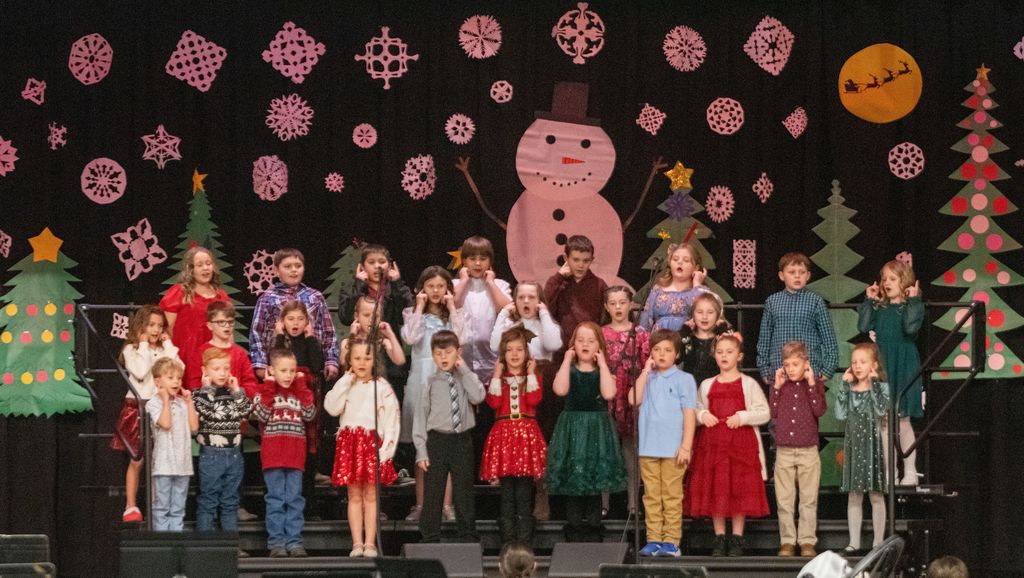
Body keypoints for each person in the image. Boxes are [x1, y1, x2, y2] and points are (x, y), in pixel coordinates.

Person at [686, 334, 770, 557]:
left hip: (740, 446)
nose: (724, 356)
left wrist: (742, 417)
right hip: (713, 446)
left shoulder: (748, 383)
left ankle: (738, 538)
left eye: (729, 352)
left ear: (739, 356)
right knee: (717, 489)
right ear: (714, 355)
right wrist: (703, 415)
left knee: (738, 490)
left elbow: (764, 412)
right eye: (720, 352)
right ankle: (719, 536)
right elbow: (694, 409)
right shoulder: (707, 384)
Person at [545, 322, 626, 543]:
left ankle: (593, 524)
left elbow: (609, 394)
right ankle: (573, 525)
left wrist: (602, 363)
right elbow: (560, 389)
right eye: (580, 340)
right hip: (572, 427)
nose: (585, 344)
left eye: (591, 341)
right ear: (573, 345)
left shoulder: (603, 371)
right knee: (574, 474)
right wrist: (566, 360)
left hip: (597, 429)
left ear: (599, 345)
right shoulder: (569, 369)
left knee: (594, 475)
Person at [490, 281, 562, 520]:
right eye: (521, 297)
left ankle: (542, 499)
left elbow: (553, 344)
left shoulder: (545, 323)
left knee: (542, 441)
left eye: (532, 297)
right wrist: (503, 313)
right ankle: (511, 502)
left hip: (541, 379)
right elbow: (494, 346)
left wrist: (544, 313)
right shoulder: (511, 324)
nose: (526, 302)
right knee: (514, 445)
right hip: (513, 382)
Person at [401, 266, 467, 522]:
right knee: (423, 450)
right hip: (421, 382)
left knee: (446, 449)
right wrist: (418, 307)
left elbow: (462, 338)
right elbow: (410, 337)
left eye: (441, 286)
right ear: (422, 289)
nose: (436, 291)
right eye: (431, 286)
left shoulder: (454, 316)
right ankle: (422, 505)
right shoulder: (413, 313)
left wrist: (452, 308)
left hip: (447, 384)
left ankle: (446, 507)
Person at [325, 339, 400, 558]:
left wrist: (385, 452)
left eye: (367, 358)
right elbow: (331, 407)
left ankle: (370, 543)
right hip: (350, 445)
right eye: (357, 358)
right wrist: (346, 379)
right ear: (349, 360)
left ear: (374, 360)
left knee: (371, 496)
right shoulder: (346, 384)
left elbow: (391, 422)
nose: (362, 362)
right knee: (354, 496)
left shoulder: (382, 387)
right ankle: (357, 542)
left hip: (371, 446)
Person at [413, 330, 486, 543]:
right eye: (438, 353)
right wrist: (421, 450)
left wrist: (463, 369)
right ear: (433, 355)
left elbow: (479, 395)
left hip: (461, 439)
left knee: (463, 490)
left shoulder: (465, 378)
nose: (444, 358)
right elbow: (420, 418)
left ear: (458, 353)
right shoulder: (429, 383)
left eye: (449, 352)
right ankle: (430, 535)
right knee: (433, 491)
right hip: (437, 440)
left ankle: (467, 534)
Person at [630, 330, 696, 558]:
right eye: (657, 349)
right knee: (651, 495)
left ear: (677, 354)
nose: (661, 354)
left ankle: (671, 541)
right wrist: (646, 370)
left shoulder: (684, 379)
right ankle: (654, 538)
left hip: (672, 449)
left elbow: (689, 414)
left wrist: (686, 445)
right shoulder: (646, 377)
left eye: (668, 350)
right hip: (648, 448)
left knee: (671, 494)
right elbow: (633, 399)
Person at [858, 260, 925, 486]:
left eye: (893, 279)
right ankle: (889, 473)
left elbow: (910, 328)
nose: (887, 283)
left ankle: (910, 471)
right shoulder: (879, 307)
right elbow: (864, 326)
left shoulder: (912, 306)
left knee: (903, 420)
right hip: (883, 364)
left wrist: (914, 300)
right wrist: (869, 300)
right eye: (884, 278)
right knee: (885, 422)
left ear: (904, 281)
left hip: (904, 364)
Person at [112, 305, 181, 523]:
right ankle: (130, 505)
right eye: (151, 325)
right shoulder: (131, 349)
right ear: (141, 326)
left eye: (160, 325)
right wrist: (142, 344)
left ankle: (157, 506)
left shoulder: (164, 349)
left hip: (160, 405)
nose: (155, 329)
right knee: (138, 459)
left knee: (158, 460)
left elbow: (177, 368)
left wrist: (168, 342)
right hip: (138, 406)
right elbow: (141, 371)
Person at [480, 326, 547, 546]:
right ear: (503, 354)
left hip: (525, 435)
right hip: (505, 435)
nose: (515, 354)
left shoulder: (533, 377)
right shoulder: (499, 378)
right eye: (510, 350)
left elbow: (535, 400)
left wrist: (530, 374)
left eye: (519, 349)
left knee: (524, 492)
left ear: (527, 354)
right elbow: (494, 403)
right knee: (507, 492)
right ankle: (508, 539)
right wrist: (497, 376)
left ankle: (525, 540)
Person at [252, 348, 317, 558]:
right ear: (272, 370)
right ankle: (277, 543)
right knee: (276, 499)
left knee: (295, 499)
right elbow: (261, 413)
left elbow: (310, 414)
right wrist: (269, 385)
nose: (288, 375)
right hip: (273, 457)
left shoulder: (300, 392)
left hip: (295, 457)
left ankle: (295, 542)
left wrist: (301, 385)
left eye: (292, 370)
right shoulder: (265, 392)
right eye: (283, 370)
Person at [193, 347, 254, 557]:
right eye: (216, 368)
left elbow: (246, 411)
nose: (222, 373)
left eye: (226, 368)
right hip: (211, 455)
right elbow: (204, 410)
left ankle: (230, 546)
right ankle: (206, 547)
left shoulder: (234, 395)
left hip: (234, 454)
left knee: (230, 502)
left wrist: (237, 389)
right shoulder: (200, 395)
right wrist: (206, 388)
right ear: (205, 371)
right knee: (209, 500)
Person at [771, 341, 827, 558]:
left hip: (808, 450)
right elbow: (773, 412)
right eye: (787, 364)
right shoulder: (781, 386)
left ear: (806, 363)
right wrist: (776, 387)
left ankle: (806, 541)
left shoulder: (815, 385)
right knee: (784, 500)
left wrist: (812, 383)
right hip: (784, 450)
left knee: (808, 499)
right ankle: (787, 541)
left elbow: (819, 409)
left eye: (796, 364)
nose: (791, 368)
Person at [249, 248, 339, 382]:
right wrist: (260, 364)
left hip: (310, 365)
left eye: (298, 266)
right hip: (278, 368)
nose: (294, 270)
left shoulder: (315, 297)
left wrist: (331, 360)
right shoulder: (267, 298)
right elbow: (257, 333)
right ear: (276, 270)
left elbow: (328, 332)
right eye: (287, 266)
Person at [836, 343, 890, 553]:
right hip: (854, 447)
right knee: (854, 495)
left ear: (874, 365)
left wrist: (875, 383)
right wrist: (843, 386)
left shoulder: (880, 388)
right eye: (854, 362)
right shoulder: (849, 389)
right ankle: (854, 542)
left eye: (863, 362)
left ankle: (878, 540)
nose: (857, 366)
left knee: (876, 495)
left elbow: (880, 408)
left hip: (871, 446)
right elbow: (840, 415)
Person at [600, 285, 649, 516]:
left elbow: (647, 364)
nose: (618, 307)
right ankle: (604, 503)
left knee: (631, 450)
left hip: (632, 397)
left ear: (631, 305)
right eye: (613, 303)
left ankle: (632, 503)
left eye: (622, 302)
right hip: (608, 395)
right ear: (606, 307)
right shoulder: (601, 334)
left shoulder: (640, 334)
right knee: (606, 450)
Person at [757, 252, 839, 388]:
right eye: (791, 272)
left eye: (801, 272)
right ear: (781, 275)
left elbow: (828, 338)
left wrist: (828, 369)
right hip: (780, 370)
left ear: (808, 276)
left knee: (809, 407)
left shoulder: (816, 301)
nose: (797, 276)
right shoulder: (772, 302)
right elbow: (765, 338)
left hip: (809, 370)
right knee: (781, 408)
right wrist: (764, 369)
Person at [271, 301, 328, 495]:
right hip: (285, 403)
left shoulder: (309, 341)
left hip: (306, 398)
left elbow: (317, 364)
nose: (296, 323)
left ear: (307, 322)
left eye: (301, 319)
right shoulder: (281, 342)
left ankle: (308, 503)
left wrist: (311, 336)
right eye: (291, 319)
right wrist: (279, 334)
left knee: (309, 450)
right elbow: (275, 360)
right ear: (282, 322)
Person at [159, 245, 229, 388]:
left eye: (208, 264)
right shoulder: (178, 292)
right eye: (200, 265)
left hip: (211, 356)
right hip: (184, 356)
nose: (205, 268)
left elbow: (227, 331)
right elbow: (166, 329)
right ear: (191, 269)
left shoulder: (221, 296)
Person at [145, 358, 197, 532]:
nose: (176, 381)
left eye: (178, 378)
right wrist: (166, 400)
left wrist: (189, 403)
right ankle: (162, 545)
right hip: (163, 466)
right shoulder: (153, 403)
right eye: (171, 377)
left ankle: (176, 543)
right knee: (161, 508)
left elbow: (194, 427)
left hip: (183, 465)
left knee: (177, 509)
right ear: (158, 381)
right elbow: (166, 424)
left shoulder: (182, 404)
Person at [453, 235, 513, 383]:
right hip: (462, 362)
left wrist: (491, 283)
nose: (478, 263)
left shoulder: (500, 285)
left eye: (483, 258)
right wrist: (463, 280)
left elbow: (508, 308)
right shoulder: (455, 284)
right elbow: (453, 305)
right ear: (464, 261)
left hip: (491, 362)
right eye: (472, 258)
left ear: (490, 261)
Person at [544, 235, 609, 346]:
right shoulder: (556, 282)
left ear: (592, 259)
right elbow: (544, 305)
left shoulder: (599, 285)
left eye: (586, 261)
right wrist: (558, 277)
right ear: (566, 258)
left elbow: (607, 318)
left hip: (590, 346)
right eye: (576, 260)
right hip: (561, 347)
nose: (580, 265)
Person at [186, 301, 258, 396]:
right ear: (210, 325)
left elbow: (251, 385)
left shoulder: (240, 354)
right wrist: (207, 388)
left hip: (236, 405)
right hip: (208, 405)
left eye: (230, 322)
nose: (227, 325)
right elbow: (193, 386)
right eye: (221, 322)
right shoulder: (200, 352)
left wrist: (235, 390)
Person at [639, 243, 710, 332]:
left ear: (696, 267)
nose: (679, 262)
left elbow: (704, 313)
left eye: (686, 260)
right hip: (659, 341)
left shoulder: (701, 291)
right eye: (675, 259)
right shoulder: (657, 290)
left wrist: (697, 283)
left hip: (687, 341)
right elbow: (645, 321)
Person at [679, 292, 732, 386]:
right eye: (700, 312)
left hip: (716, 390)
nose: (704, 317)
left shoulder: (720, 337)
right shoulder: (688, 338)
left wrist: (722, 331)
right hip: (691, 390)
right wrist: (684, 333)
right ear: (693, 315)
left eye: (710, 312)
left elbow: (731, 356)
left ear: (718, 315)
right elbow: (677, 358)